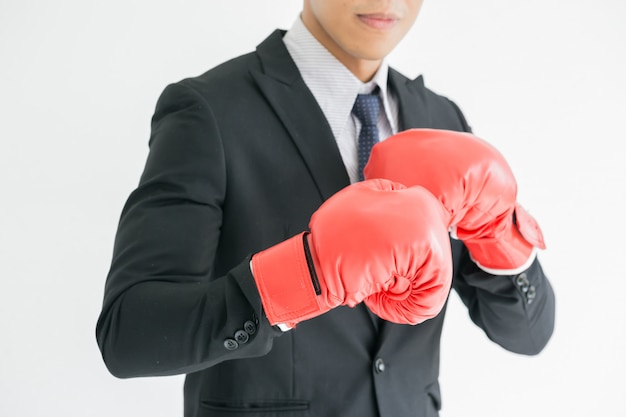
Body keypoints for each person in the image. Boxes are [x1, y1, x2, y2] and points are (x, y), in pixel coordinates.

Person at [96, 1, 556, 416]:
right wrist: (301, 276)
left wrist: (500, 234)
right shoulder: (210, 110)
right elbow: (128, 333)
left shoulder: (443, 119)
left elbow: (527, 335)